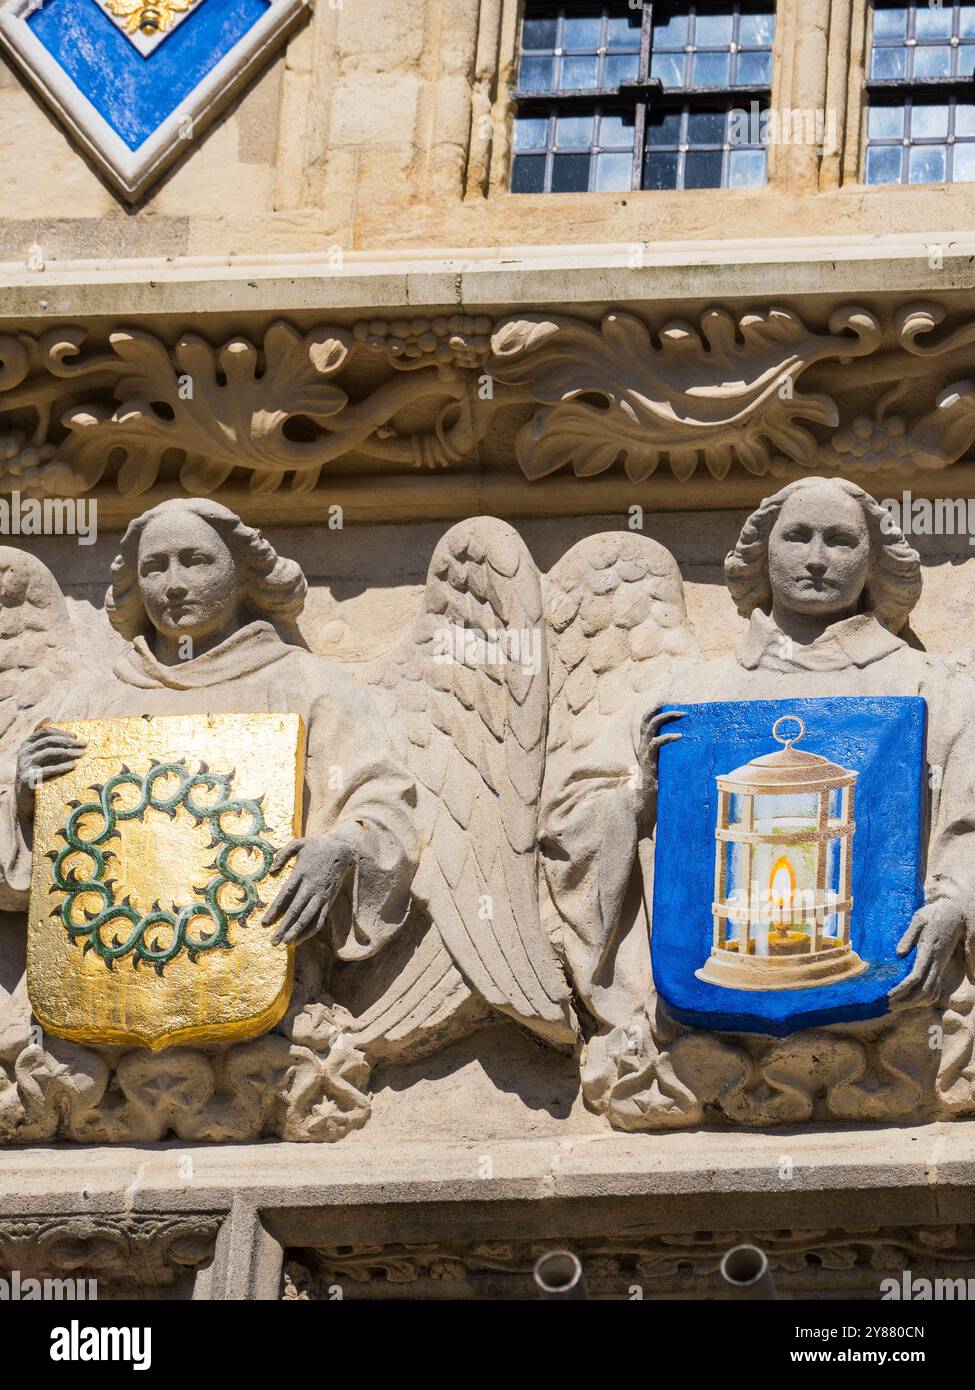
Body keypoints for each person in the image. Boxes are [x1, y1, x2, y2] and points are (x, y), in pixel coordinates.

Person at [1, 498, 418, 965]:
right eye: (155, 568)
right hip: (106, 976)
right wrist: (25, 802)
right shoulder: (93, 702)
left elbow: (383, 804)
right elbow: (41, 874)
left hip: (270, 988)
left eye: (196, 561)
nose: (174, 584)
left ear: (242, 573)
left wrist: (341, 851)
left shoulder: (310, 687)